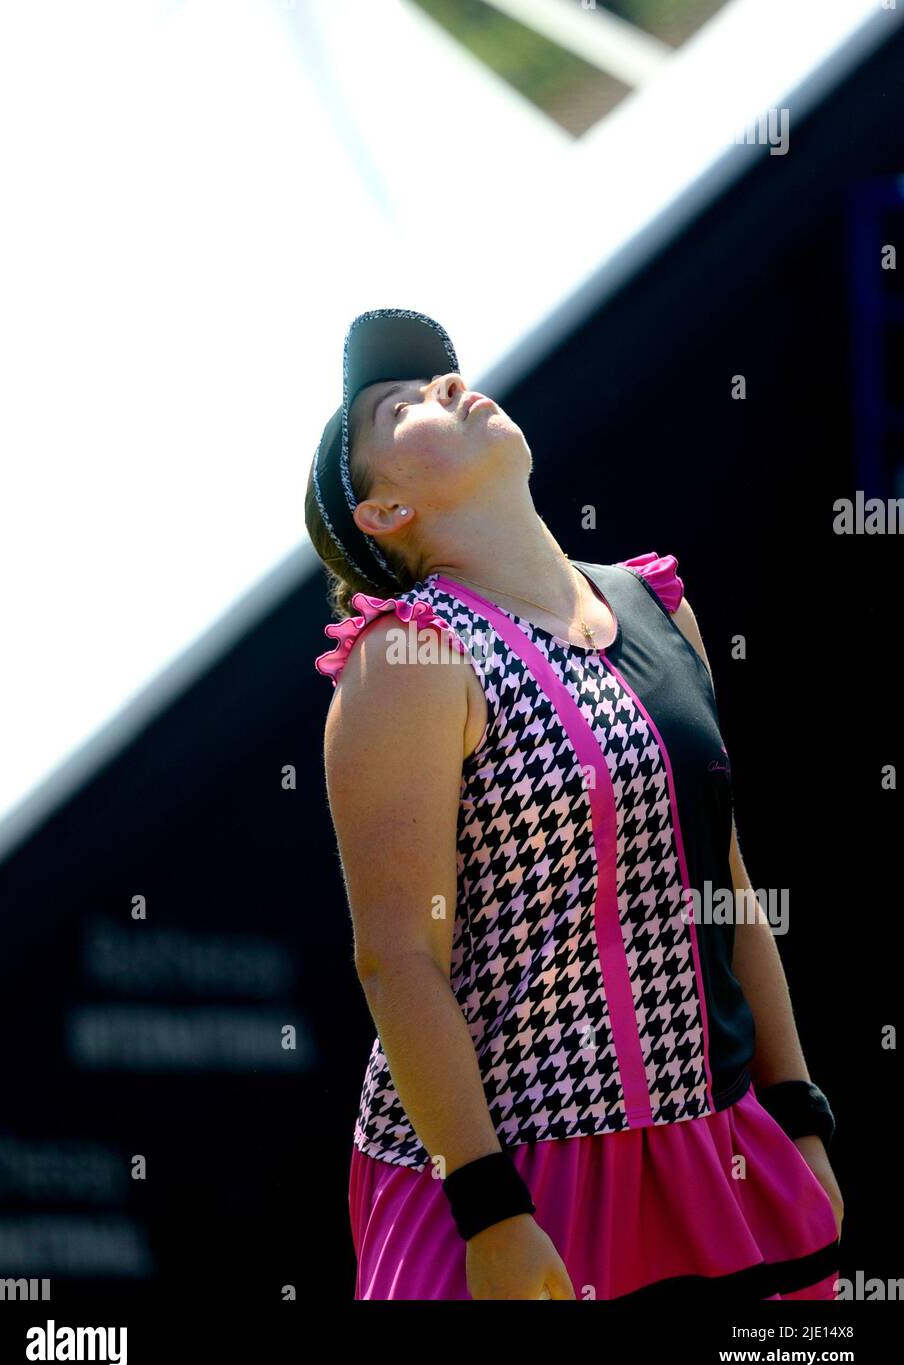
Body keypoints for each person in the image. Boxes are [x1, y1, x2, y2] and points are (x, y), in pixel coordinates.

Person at [305, 307, 843, 1301]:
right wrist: (489, 1210)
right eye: (402, 404)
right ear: (382, 514)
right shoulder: (408, 656)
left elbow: (725, 890)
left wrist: (799, 1112)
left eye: (442, 376)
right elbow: (397, 955)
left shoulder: (658, 604)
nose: (447, 388)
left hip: (721, 1169)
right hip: (511, 1188)